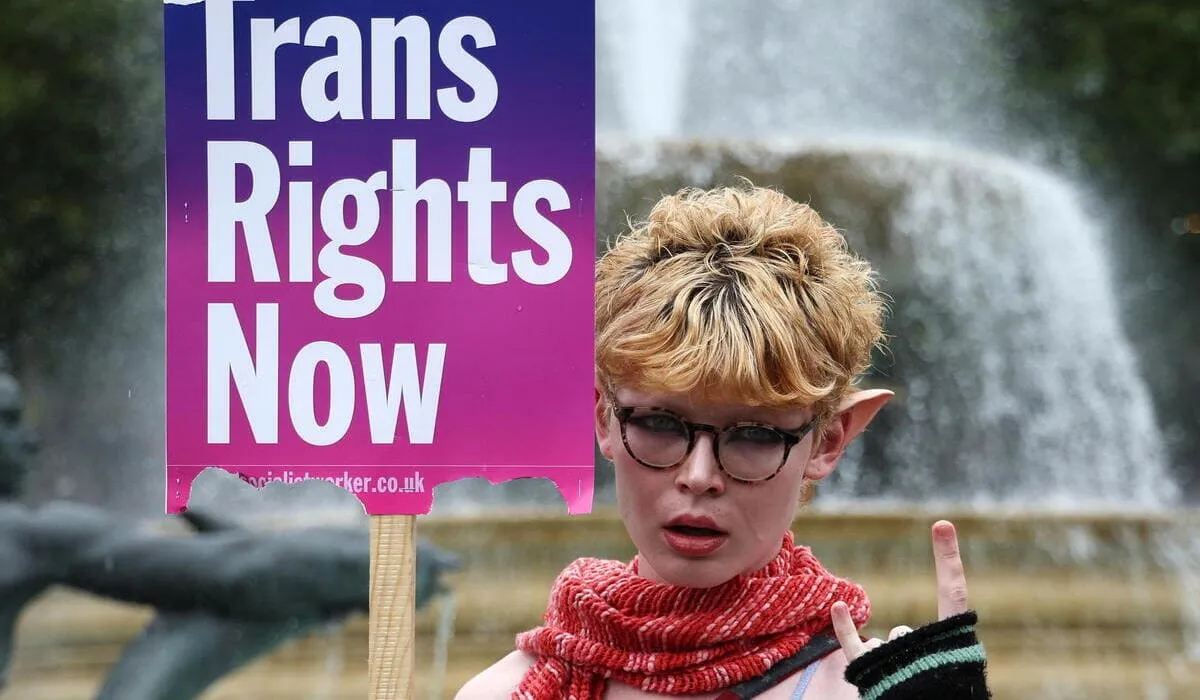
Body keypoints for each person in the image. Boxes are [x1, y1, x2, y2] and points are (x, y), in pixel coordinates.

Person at [456, 185, 990, 699]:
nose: (699, 476)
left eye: (754, 435)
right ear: (603, 418)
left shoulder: (865, 693)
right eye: (660, 425)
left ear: (827, 442)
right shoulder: (504, 694)